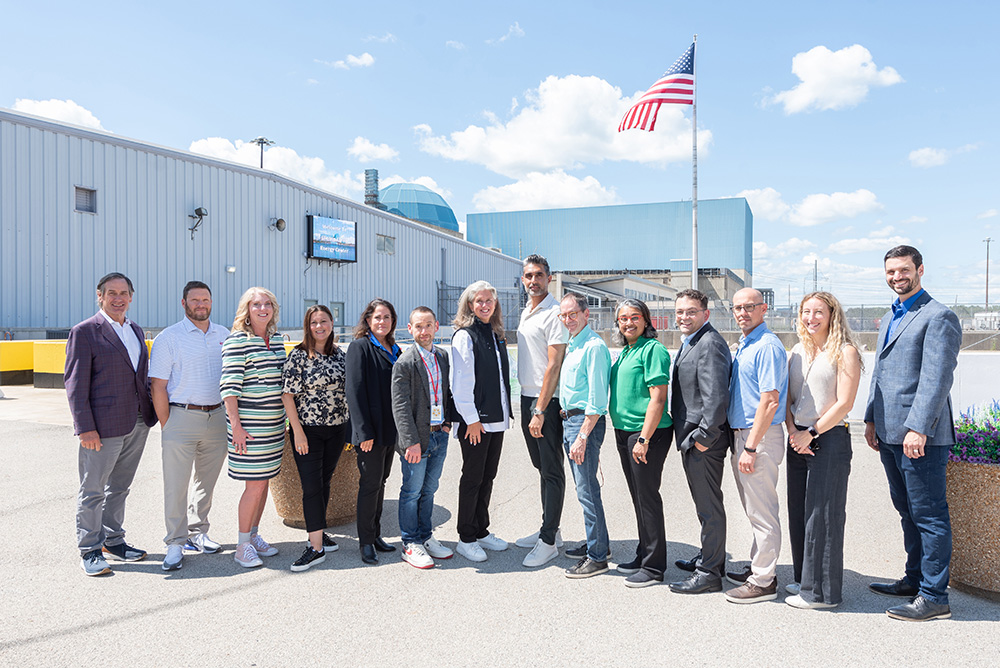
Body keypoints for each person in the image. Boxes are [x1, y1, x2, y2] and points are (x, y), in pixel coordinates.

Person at [865, 245, 961, 622]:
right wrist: (871, 419)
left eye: (903, 270)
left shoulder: (938, 316)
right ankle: (915, 578)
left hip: (920, 435)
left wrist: (919, 427)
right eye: (890, 271)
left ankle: (935, 596)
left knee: (929, 514)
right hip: (889, 432)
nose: (896, 277)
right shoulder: (893, 313)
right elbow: (881, 373)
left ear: (920, 269)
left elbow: (937, 379)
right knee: (907, 511)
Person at [65, 272, 157, 576]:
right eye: (111, 293)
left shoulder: (135, 329)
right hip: (101, 428)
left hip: (137, 422)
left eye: (123, 293)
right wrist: (84, 427)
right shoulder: (85, 331)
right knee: (93, 490)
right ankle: (89, 548)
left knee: (120, 487)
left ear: (131, 296)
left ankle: (114, 541)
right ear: (100, 296)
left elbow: (139, 377)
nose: (118, 299)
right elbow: (75, 384)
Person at [784, 292, 863, 609]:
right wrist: (793, 431)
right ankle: (805, 579)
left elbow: (845, 402)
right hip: (797, 438)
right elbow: (789, 398)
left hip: (828, 439)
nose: (811, 317)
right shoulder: (798, 351)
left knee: (824, 517)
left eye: (818, 311)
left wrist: (811, 432)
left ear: (832, 314)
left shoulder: (845, 352)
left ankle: (821, 594)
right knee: (799, 514)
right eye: (806, 311)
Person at [149, 280, 230, 572]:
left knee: (205, 483)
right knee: (176, 484)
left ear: (211, 302)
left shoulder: (225, 335)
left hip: (217, 417)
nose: (201, 304)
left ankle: (198, 532)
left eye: (205, 300)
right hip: (181, 416)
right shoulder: (169, 338)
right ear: (184, 303)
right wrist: (167, 424)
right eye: (194, 300)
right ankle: (174, 541)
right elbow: (157, 385)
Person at [667, 289, 733, 595]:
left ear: (705, 314)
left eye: (691, 312)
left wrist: (704, 438)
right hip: (692, 438)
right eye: (680, 312)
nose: (684, 317)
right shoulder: (693, 340)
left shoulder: (709, 343)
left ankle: (709, 573)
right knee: (704, 504)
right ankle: (710, 558)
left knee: (709, 506)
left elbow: (716, 397)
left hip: (703, 440)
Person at [724, 287, 788, 604]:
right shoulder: (746, 344)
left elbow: (770, 400)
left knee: (763, 512)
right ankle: (758, 567)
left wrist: (750, 447)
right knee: (754, 509)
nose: (743, 313)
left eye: (750, 306)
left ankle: (763, 581)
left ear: (764, 309)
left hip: (757, 437)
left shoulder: (767, 346)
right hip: (745, 435)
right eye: (737, 307)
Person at [220, 287, 287, 568]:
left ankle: (254, 535)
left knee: (264, 484)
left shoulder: (276, 341)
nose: (263, 308)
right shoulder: (237, 341)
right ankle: (242, 545)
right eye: (256, 304)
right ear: (246, 310)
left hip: (273, 429)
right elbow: (229, 389)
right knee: (254, 485)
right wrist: (235, 426)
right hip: (249, 429)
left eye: (267, 303)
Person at [609, 298, 673, 588]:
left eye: (634, 317)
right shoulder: (626, 351)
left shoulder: (653, 350)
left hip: (647, 434)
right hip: (625, 432)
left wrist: (644, 438)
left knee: (647, 497)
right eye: (623, 318)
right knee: (637, 496)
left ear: (646, 320)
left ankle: (654, 566)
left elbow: (658, 397)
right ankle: (644, 551)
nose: (628, 323)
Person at [281, 305, 350, 572]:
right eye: (313, 322)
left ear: (332, 323)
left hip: (337, 429)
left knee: (324, 482)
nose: (319, 326)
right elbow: (288, 395)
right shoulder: (298, 355)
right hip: (307, 430)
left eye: (324, 321)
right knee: (311, 487)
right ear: (307, 326)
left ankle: (317, 533)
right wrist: (296, 431)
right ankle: (315, 549)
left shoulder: (339, 355)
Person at [450, 281, 512, 562]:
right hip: (475, 422)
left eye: (490, 301)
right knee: (473, 478)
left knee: (488, 476)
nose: (485, 305)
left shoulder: (495, 334)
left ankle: (481, 530)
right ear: (470, 305)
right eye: (479, 301)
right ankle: (466, 536)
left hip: (495, 421)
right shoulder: (466, 336)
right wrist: (472, 420)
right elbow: (461, 383)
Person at [514, 255, 569, 568]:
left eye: (538, 275)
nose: (532, 281)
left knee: (551, 469)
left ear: (549, 278)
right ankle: (553, 528)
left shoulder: (555, 312)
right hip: (526, 397)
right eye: (527, 276)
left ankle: (548, 541)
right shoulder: (527, 310)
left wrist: (540, 409)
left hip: (544, 401)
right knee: (541, 466)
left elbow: (554, 364)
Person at [391, 306, 455, 569]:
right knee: (412, 491)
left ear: (436, 326)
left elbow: (446, 392)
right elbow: (400, 406)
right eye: (418, 326)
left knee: (429, 490)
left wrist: (448, 421)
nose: (424, 331)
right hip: (417, 440)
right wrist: (410, 442)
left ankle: (426, 536)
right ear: (410, 329)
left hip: (439, 435)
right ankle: (410, 542)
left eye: (428, 325)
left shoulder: (442, 356)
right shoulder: (404, 362)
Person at [558, 292, 612, 579]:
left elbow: (597, 399)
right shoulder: (573, 345)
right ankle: (599, 543)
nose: (568, 320)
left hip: (583, 423)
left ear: (585, 313)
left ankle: (597, 557)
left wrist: (581, 436)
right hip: (570, 421)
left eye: (573, 314)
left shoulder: (593, 347)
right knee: (585, 489)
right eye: (564, 316)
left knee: (586, 490)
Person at [346, 298, 401, 565]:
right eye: (377, 317)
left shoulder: (396, 349)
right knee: (369, 485)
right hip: (370, 433)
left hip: (390, 430)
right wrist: (363, 432)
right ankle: (365, 541)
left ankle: (376, 533)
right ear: (368, 320)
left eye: (387, 317)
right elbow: (354, 392)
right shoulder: (360, 347)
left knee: (381, 483)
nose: (382, 322)